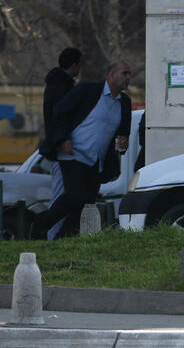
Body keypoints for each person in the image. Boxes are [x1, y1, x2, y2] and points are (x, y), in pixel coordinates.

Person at [31, 61, 132, 239]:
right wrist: (64, 139)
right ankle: (42, 223)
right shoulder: (87, 91)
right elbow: (60, 111)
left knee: (85, 205)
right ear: (110, 75)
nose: (128, 78)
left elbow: (123, 133)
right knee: (75, 197)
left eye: (129, 74)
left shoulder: (124, 103)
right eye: (124, 73)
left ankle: (62, 240)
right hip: (73, 154)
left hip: (96, 161)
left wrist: (123, 142)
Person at [41, 47, 82, 240]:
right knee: (60, 194)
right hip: (61, 149)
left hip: (57, 148)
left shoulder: (54, 86)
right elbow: (61, 118)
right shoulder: (63, 89)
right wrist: (64, 140)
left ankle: (55, 234)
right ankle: (52, 234)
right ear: (74, 65)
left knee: (61, 192)